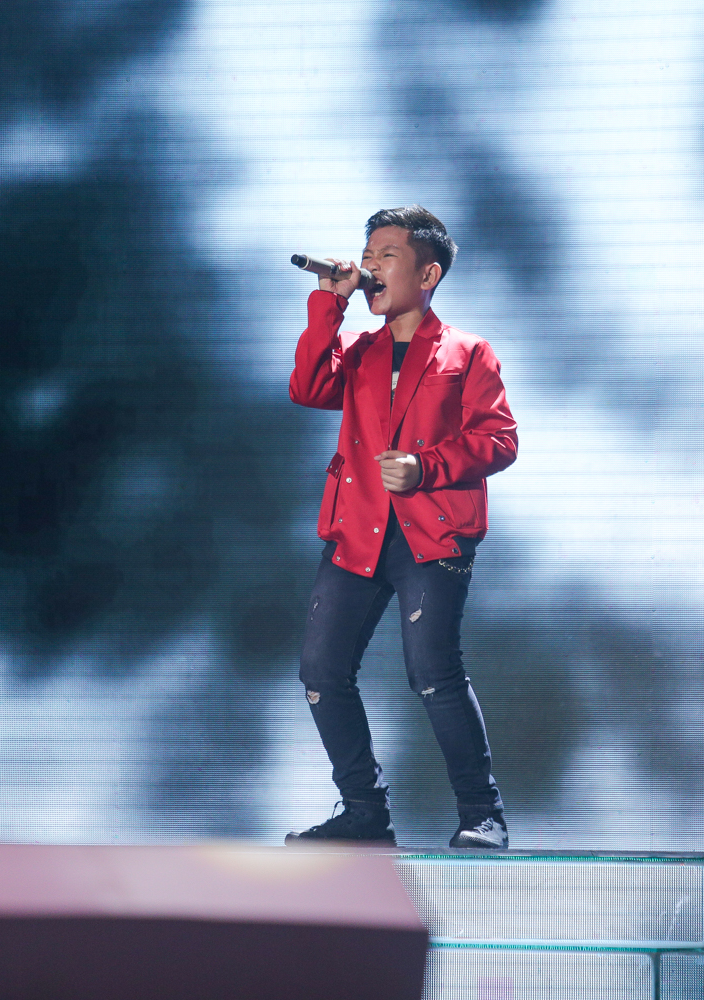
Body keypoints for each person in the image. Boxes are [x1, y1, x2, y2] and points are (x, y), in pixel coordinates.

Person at [285, 206, 518, 849]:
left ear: (427, 273)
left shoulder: (468, 352)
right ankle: (364, 811)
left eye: (387, 255)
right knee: (321, 670)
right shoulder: (360, 351)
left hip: (431, 534)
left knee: (433, 671)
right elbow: (307, 386)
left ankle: (481, 814)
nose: (370, 266)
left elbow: (500, 440)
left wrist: (426, 467)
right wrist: (329, 304)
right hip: (356, 529)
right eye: (368, 255)